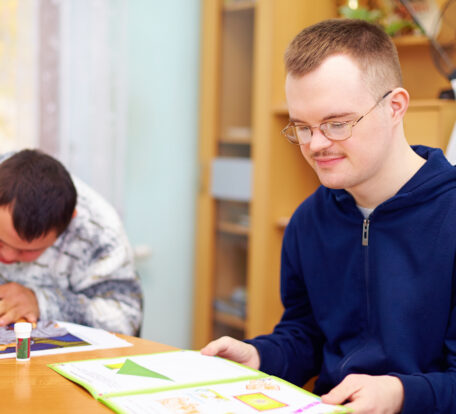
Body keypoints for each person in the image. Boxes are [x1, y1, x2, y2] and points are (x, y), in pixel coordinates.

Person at [201, 18, 456, 414]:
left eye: (336, 124)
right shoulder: (309, 221)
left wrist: (401, 394)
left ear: (395, 107)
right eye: (302, 127)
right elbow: (307, 336)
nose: (316, 145)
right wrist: (259, 356)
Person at [0, 149, 142, 336]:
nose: (7, 256)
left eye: (26, 251)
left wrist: (42, 302)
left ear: (69, 222)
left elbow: (125, 318)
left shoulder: (98, 231)